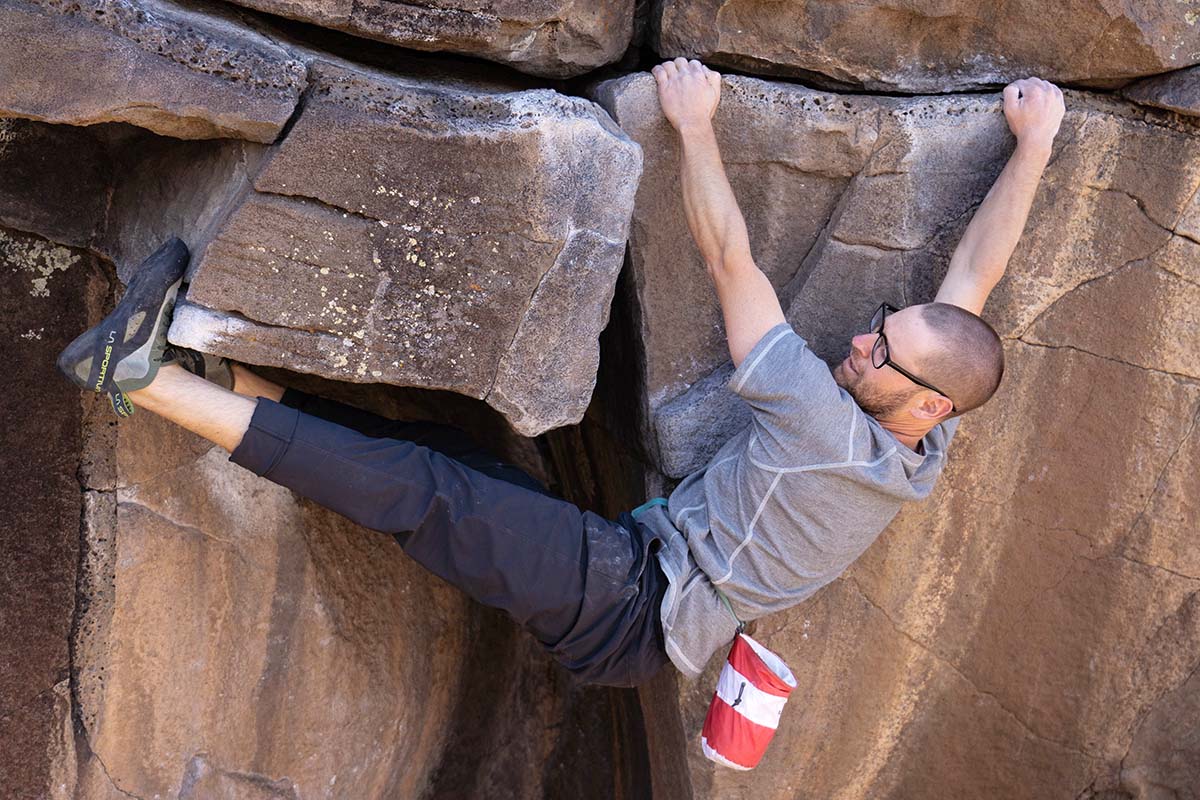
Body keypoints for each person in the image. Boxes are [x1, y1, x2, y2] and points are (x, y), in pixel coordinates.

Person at [56, 59, 1065, 687]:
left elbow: (729, 261)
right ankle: (220, 373)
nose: (862, 340)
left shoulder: (823, 425)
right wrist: (1037, 142)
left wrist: (696, 123)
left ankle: (137, 375)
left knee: (423, 490)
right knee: (440, 452)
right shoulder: (924, 431)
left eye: (882, 353)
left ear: (921, 396)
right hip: (628, 576)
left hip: (631, 602)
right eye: (879, 325)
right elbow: (973, 278)